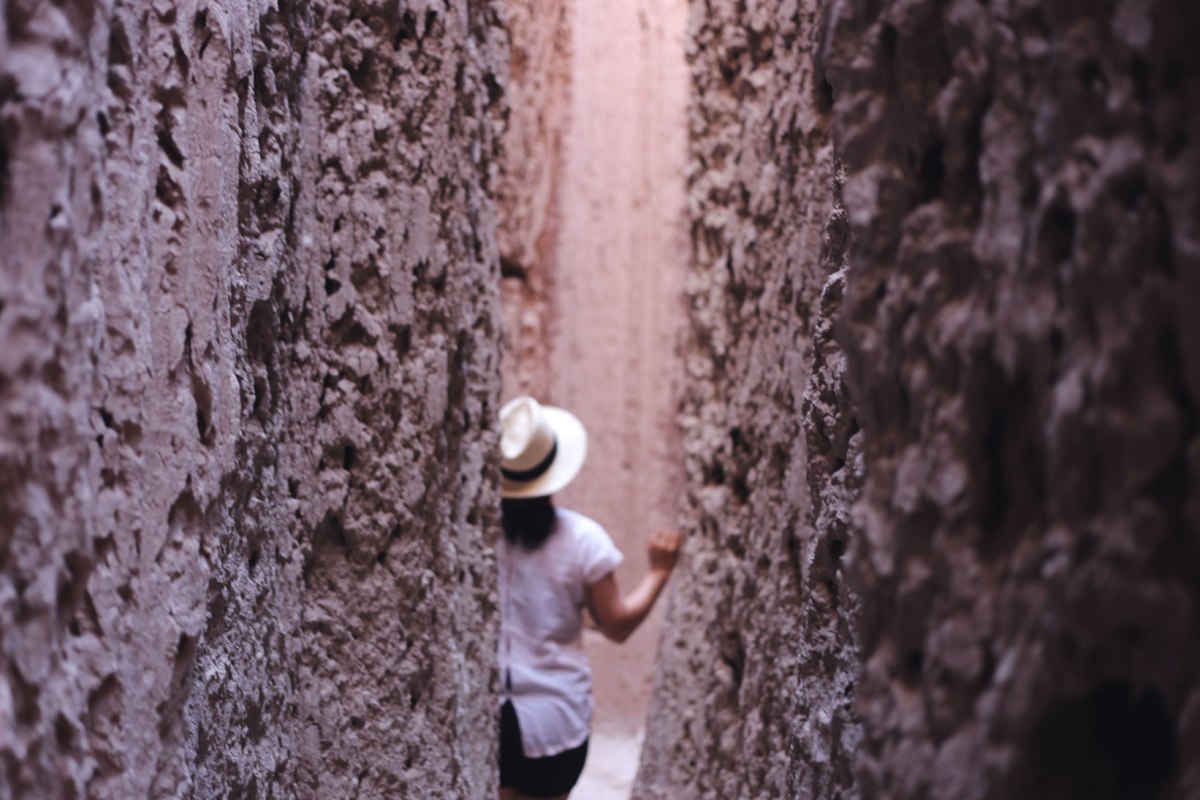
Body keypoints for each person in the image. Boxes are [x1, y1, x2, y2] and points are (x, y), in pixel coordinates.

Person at [497, 395, 682, 800]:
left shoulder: (480, 535)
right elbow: (617, 625)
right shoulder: (583, 541)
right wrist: (658, 572)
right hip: (557, 721)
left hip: (493, 719)